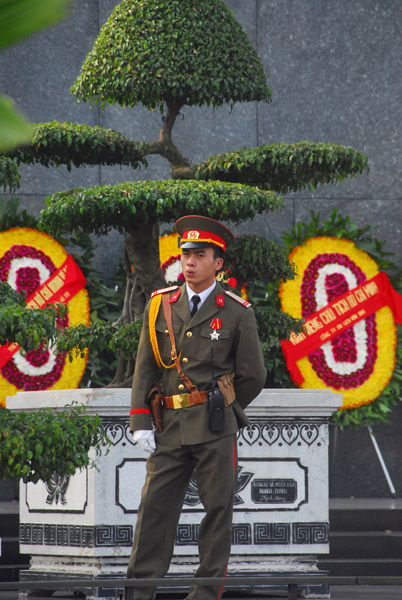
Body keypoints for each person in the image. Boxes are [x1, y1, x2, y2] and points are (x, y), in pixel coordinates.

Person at [127, 215, 267, 600]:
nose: (189, 262)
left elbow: (253, 374)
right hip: (169, 425)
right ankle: (139, 594)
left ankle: (204, 594)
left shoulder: (237, 312)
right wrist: (140, 419)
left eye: (199, 255)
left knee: (217, 512)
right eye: (186, 254)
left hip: (215, 428)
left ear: (218, 263)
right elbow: (146, 366)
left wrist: (224, 403)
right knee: (153, 513)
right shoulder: (161, 305)